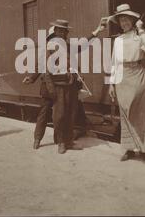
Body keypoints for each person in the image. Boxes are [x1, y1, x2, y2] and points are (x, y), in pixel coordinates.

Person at [44, 19, 105, 154]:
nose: (62, 33)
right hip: (59, 86)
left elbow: (82, 46)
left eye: (64, 31)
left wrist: (96, 31)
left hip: (71, 86)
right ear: (55, 32)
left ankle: (69, 141)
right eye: (59, 30)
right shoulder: (51, 45)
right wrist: (51, 89)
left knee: (71, 114)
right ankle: (61, 142)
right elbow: (47, 70)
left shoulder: (67, 45)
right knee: (59, 116)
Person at [23, 26, 90, 150]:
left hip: (59, 86)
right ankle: (38, 139)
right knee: (48, 114)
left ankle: (57, 140)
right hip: (48, 87)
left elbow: (72, 63)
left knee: (58, 114)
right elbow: (40, 68)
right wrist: (32, 78)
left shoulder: (64, 49)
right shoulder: (48, 49)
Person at [108, 4, 145, 162]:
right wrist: (111, 83)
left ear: (132, 20)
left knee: (142, 111)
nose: (124, 23)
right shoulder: (117, 40)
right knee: (125, 113)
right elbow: (114, 63)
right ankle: (129, 149)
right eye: (121, 20)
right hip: (122, 78)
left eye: (127, 20)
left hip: (138, 75)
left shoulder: (140, 36)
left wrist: (142, 29)